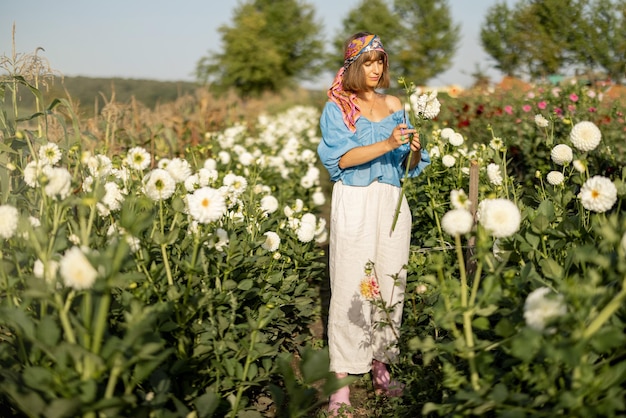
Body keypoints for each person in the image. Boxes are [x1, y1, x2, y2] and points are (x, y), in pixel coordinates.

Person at [317, 32, 430, 415]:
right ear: (352, 66)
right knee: (351, 283)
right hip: (355, 200)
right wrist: (386, 143)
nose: (376, 68)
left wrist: (412, 151)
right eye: (368, 62)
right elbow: (342, 161)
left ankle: (381, 363)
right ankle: (342, 381)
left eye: (380, 61)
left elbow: (408, 168)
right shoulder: (338, 106)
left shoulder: (394, 103)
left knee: (390, 280)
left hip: (391, 200)